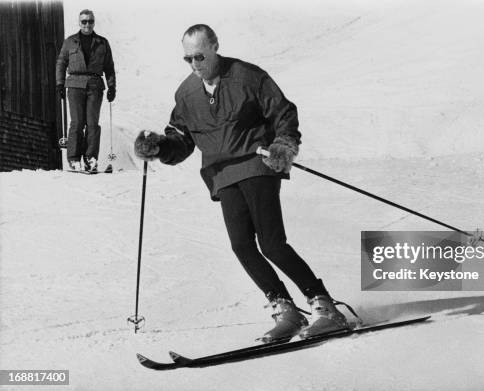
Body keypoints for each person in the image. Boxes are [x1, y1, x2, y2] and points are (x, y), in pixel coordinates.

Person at [133, 24, 352, 342]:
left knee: (272, 244)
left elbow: (283, 113)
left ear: (215, 47)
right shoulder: (186, 94)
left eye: (199, 56)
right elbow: (179, 140)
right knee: (242, 246)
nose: (195, 64)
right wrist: (158, 147)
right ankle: (286, 311)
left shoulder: (248, 76)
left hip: (257, 163)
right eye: (188, 59)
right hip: (222, 175)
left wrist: (283, 147)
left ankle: (326, 308)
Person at [56, 9, 116, 172]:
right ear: (79, 23)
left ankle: (91, 158)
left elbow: (109, 67)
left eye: (90, 21)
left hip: (95, 85)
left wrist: (112, 87)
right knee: (77, 122)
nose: (87, 24)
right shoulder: (70, 42)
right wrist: (60, 84)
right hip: (75, 84)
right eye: (84, 21)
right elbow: (61, 63)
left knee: (92, 123)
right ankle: (74, 159)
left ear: (94, 22)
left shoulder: (102, 43)